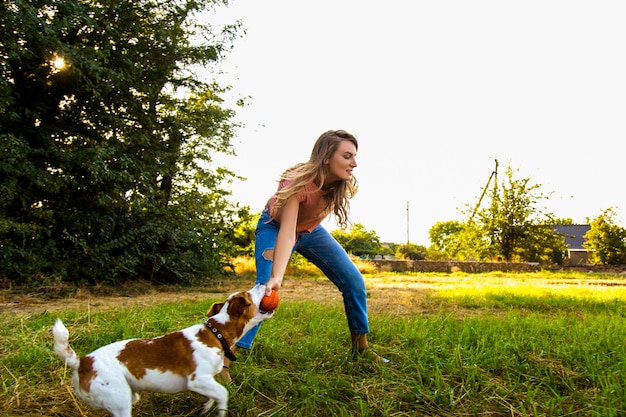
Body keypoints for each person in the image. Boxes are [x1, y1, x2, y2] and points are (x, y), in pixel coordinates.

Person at [221, 129, 387, 383]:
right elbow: (288, 233)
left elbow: (302, 227)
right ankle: (222, 360)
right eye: (347, 156)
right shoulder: (297, 182)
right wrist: (276, 276)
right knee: (265, 291)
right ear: (326, 157)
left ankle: (361, 349)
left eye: (354, 156)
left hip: (311, 231)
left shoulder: (340, 183)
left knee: (353, 281)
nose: (354, 163)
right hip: (276, 228)